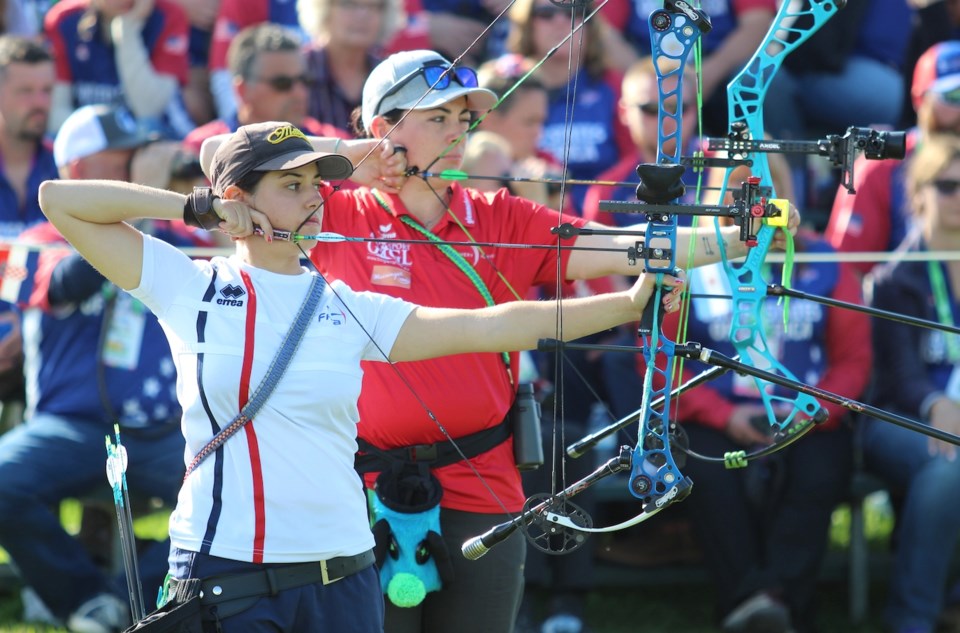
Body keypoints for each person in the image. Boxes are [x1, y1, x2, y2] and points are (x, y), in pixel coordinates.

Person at [185, 48, 796, 633]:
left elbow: (625, 246)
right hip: (361, 486)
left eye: (461, 117)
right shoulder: (331, 212)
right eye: (436, 117)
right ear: (383, 127)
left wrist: (740, 232)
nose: (456, 130)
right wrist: (352, 156)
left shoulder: (501, 216)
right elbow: (219, 153)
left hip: (483, 475)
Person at [37, 118, 685, 633]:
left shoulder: (347, 304)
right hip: (224, 569)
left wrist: (629, 303)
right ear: (238, 198)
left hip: (340, 571)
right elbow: (60, 200)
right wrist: (193, 206)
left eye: (318, 185)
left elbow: (494, 325)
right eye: (293, 185)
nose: (316, 198)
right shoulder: (190, 285)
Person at [0, 103, 191, 633]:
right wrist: (139, 208)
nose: (136, 167)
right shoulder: (30, 241)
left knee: (232, 490)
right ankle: (87, 602)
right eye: (123, 158)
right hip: (68, 426)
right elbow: (69, 283)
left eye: (139, 157)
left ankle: (129, 604)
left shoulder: (174, 238)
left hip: (161, 430)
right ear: (78, 172)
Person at [863, 133, 960, 633]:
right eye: (948, 186)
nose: (959, 197)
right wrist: (934, 403)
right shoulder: (893, 279)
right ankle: (914, 618)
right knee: (949, 468)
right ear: (918, 193)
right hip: (899, 419)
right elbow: (900, 378)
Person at [825, 40, 960, 277]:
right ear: (922, 100)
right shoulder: (881, 167)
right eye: (954, 95)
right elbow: (846, 274)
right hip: (902, 309)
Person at [504, 0, 631, 213]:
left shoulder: (615, 87)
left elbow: (635, 163)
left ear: (591, 23)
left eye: (575, 12)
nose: (562, 22)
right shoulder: (506, 86)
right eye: (546, 13)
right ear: (527, 23)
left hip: (603, 222)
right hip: (526, 215)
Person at [183, 22, 348, 155]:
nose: (300, 93)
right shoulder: (199, 150)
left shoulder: (337, 146)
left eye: (305, 80)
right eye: (282, 83)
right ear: (242, 90)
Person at [0, 35, 58, 404]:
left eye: (46, 90)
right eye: (25, 91)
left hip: (44, 347)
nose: (39, 103)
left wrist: (26, 323)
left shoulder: (66, 174)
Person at [43, 0, 194, 138]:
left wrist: (127, 31)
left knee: (150, 129)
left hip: (159, 134)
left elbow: (149, 110)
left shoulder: (168, 15)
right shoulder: (64, 20)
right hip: (90, 137)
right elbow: (56, 112)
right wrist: (103, 136)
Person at [299, 0, 404, 134]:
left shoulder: (391, 75)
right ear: (323, 8)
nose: (363, 14)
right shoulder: (297, 71)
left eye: (373, 6)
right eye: (349, 4)